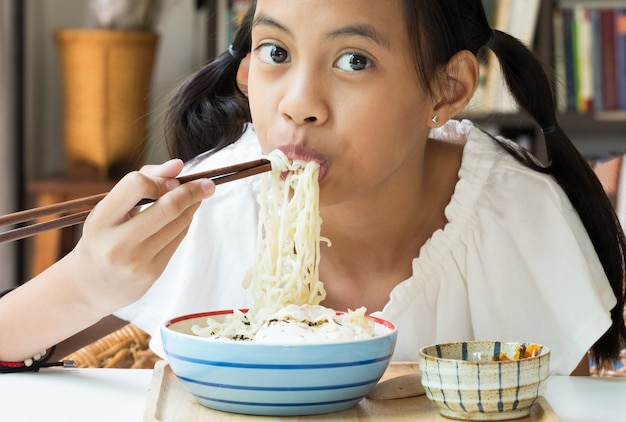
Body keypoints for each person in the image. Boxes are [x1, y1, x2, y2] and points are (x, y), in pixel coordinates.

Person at [1, 0, 624, 376]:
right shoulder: (210, 208)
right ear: (246, 72)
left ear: (448, 87)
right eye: (276, 52)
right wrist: (88, 280)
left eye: (354, 60)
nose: (299, 105)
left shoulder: (514, 216)